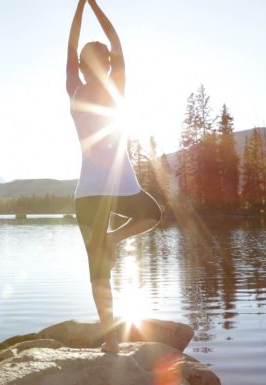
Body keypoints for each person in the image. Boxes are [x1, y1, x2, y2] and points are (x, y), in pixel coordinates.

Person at [66, 0, 162, 353]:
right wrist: (90, 5)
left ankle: (110, 341)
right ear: (102, 64)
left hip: (93, 193)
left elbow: (75, 46)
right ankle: (115, 239)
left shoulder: (78, 87)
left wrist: (82, 8)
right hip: (110, 188)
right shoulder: (115, 86)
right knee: (151, 216)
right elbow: (115, 40)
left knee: (98, 271)